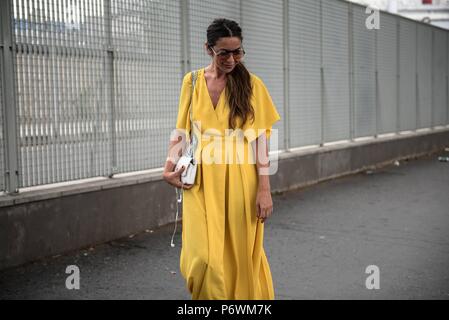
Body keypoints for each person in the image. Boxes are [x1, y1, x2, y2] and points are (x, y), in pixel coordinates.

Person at [162, 18, 281, 300]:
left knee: (239, 251)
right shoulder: (191, 82)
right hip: (200, 180)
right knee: (201, 256)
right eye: (224, 53)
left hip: (242, 178)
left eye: (237, 51)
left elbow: (262, 140)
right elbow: (181, 130)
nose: (231, 59)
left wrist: (264, 190)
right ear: (208, 49)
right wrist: (168, 169)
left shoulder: (252, 84)